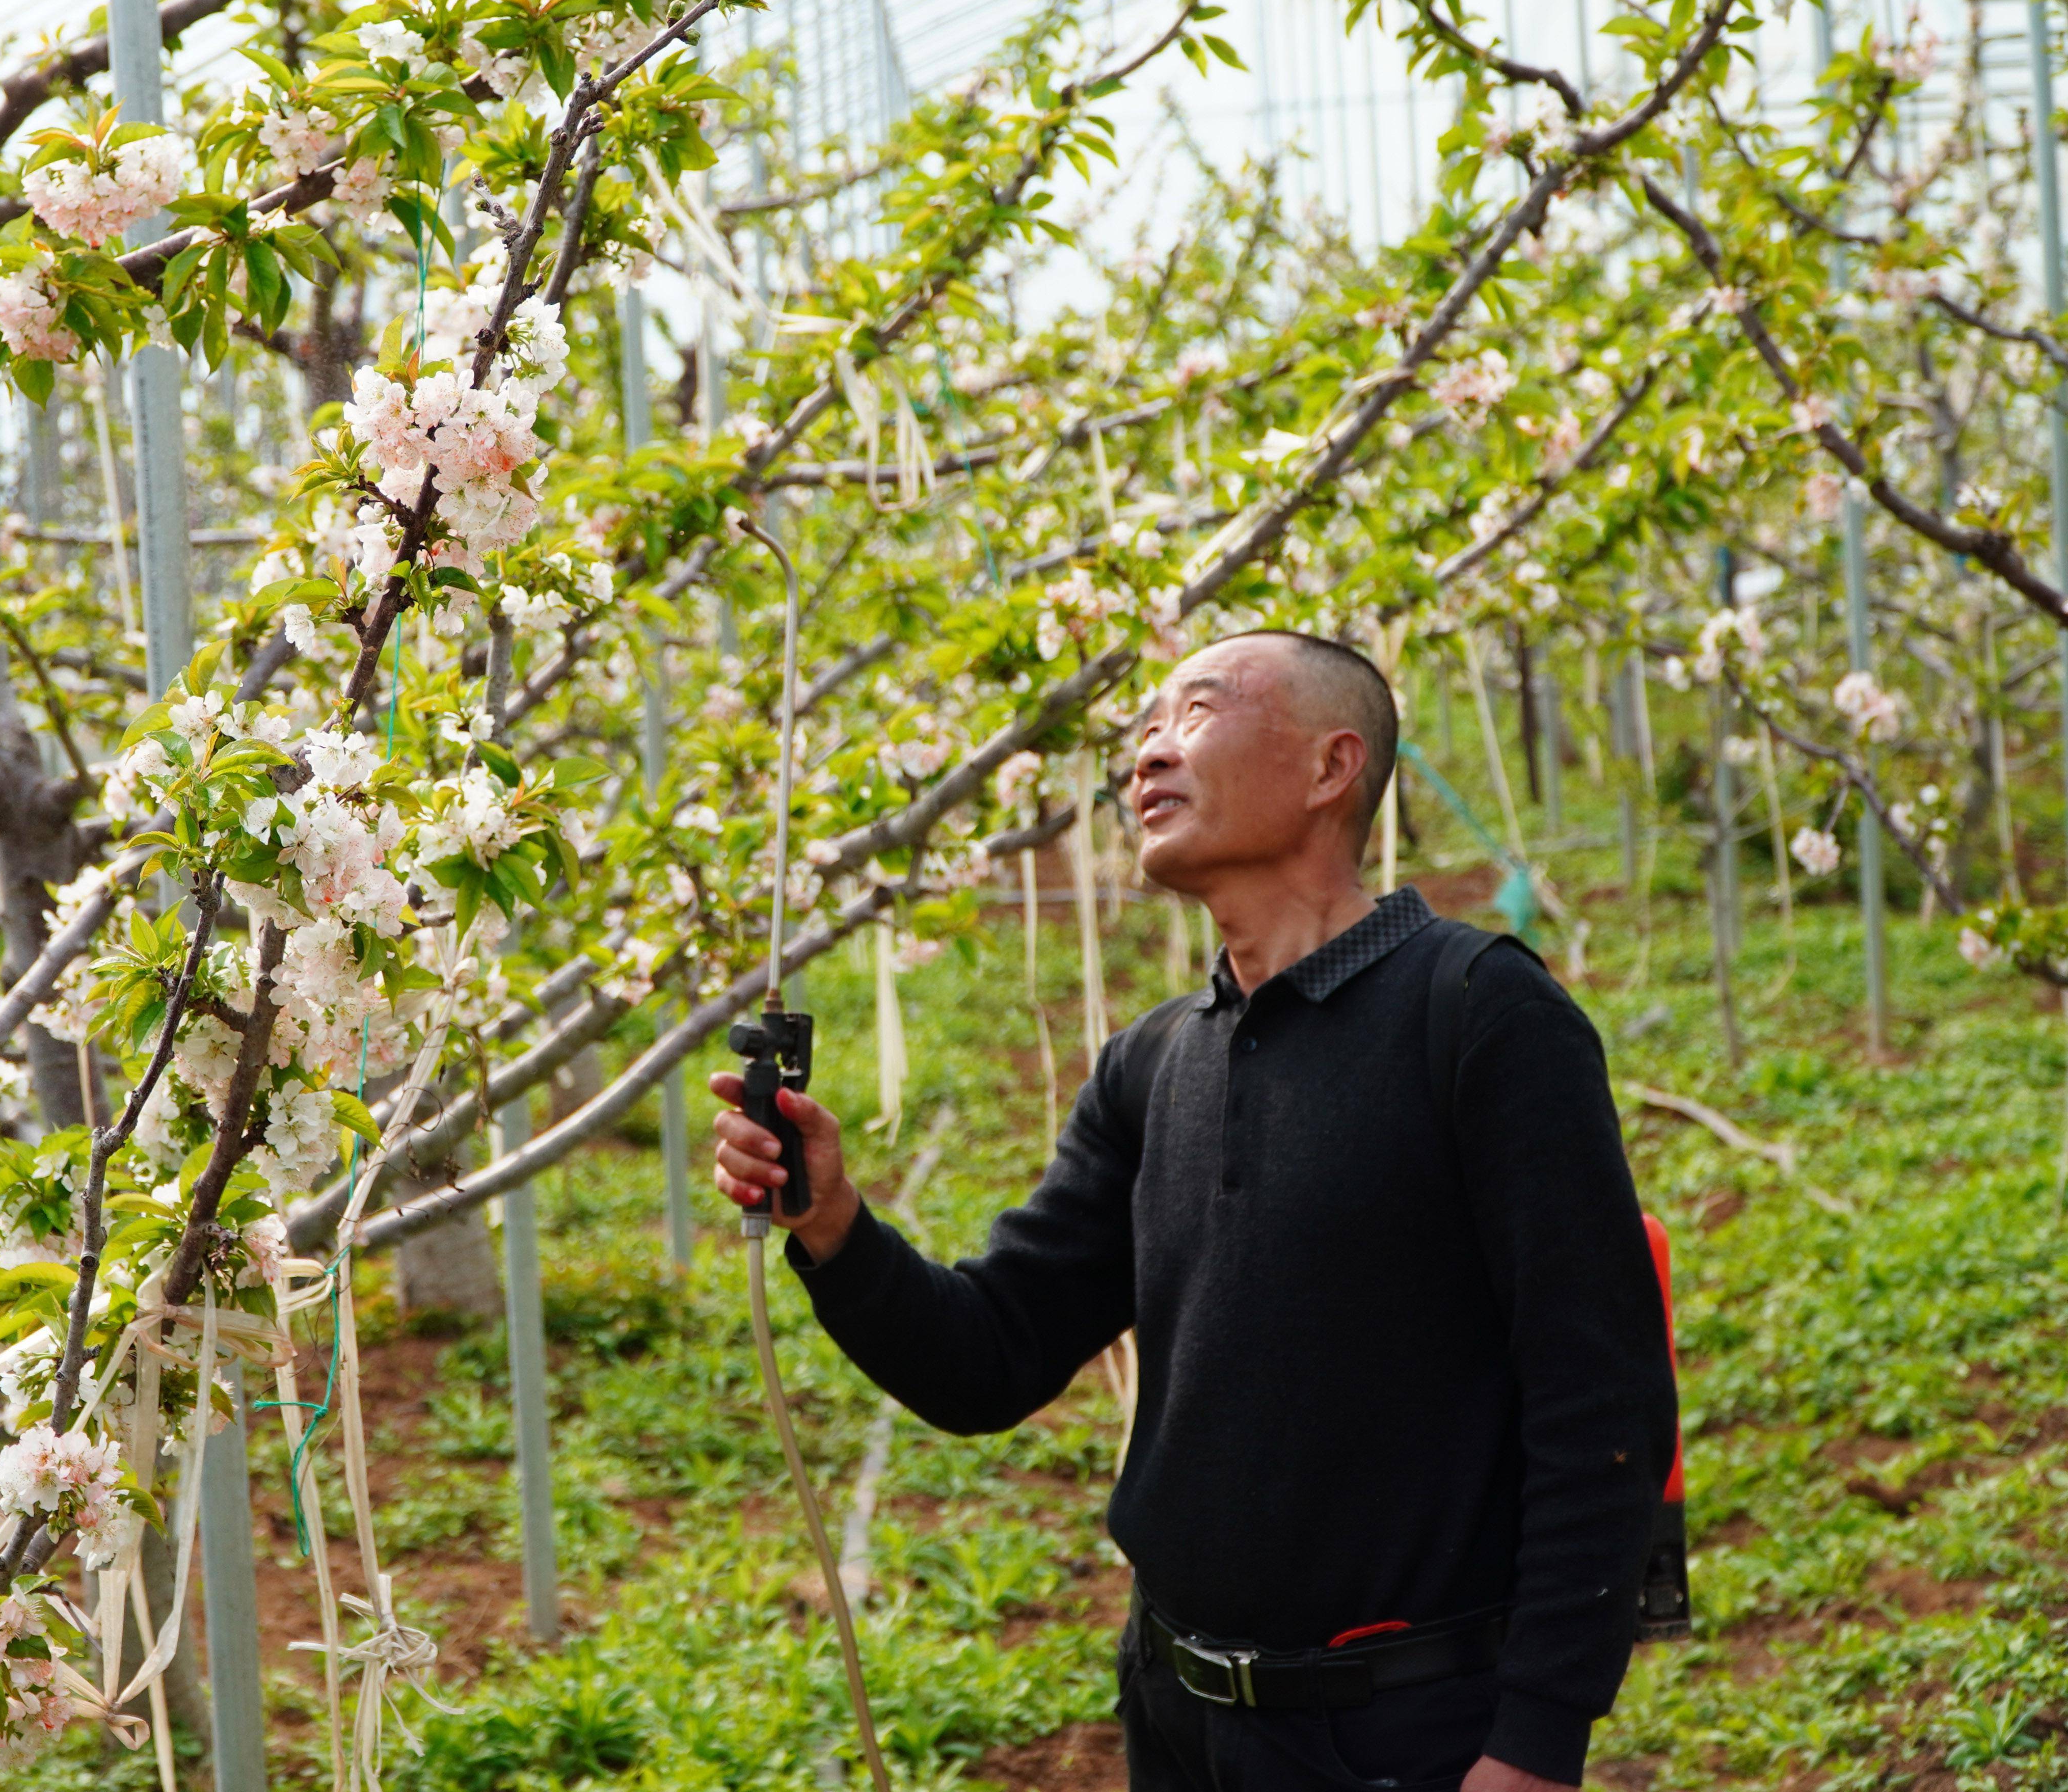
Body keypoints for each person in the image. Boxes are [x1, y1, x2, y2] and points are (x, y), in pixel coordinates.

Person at [713, 630, 1676, 1792]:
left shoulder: (1478, 1013)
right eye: (1143, 732)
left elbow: (1603, 1391)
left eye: (1196, 711)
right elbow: (991, 1355)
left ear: (1332, 767)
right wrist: (834, 1221)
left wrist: (1538, 1735)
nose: (1148, 756)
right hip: (1179, 1711)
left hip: (1403, 1728)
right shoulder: (1155, 1061)